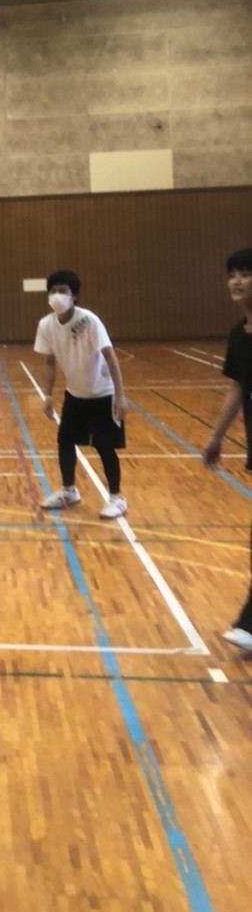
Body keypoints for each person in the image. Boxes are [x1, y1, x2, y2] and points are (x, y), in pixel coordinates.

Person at [34, 269, 129, 518]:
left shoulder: (89, 321)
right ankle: (69, 491)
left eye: (63, 290)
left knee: (104, 446)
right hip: (75, 394)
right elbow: (49, 362)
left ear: (74, 295)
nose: (57, 295)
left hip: (102, 393)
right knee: (65, 440)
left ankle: (117, 498)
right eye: (53, 291)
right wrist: (47, 395)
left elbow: (110, 356)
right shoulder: (46, 325)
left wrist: (120, 396)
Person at [202, 248, 252, 655]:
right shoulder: (239, 335)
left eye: (246, 273)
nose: (237, 281)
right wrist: (217, 436)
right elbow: (236, 387)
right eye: (232, 273)